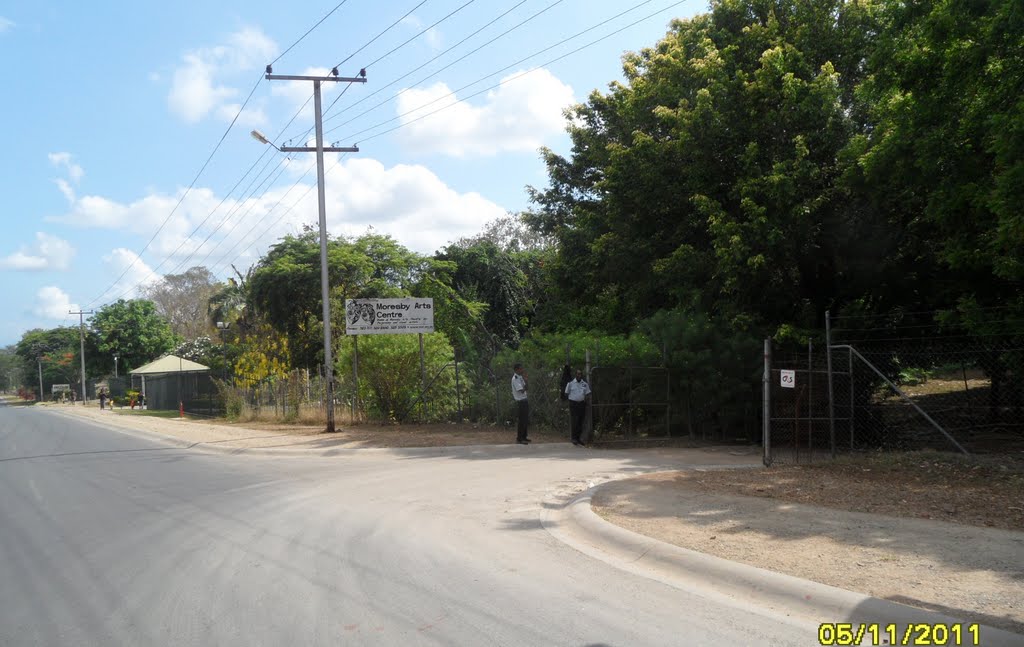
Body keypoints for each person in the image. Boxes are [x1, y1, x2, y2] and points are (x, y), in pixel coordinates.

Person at [564, 369, 591, 446]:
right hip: (573, 404)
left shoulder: (585, 384)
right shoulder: (570, 383)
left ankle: (579, 438)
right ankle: (574, 438)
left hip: (582, 404)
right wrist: (572, 399)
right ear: (575, 375)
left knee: (580, 421)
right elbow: (566, 393)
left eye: (580, 374)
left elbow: (588, 393)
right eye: (578, 374)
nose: (579, 375)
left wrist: (585, 401)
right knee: (574, 421)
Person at [511, 363, 530, 444]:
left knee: (525, 419)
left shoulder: (520, 377)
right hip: (520, 401)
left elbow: (527, 388)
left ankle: (524, 436)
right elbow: (521, 390)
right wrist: (525, 382)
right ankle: (519, 438)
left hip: (525, 400)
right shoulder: (515, 379)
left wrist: (526, 381)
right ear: (516, 370)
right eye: (520, 369)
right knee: (521, 420)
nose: (522, 370)